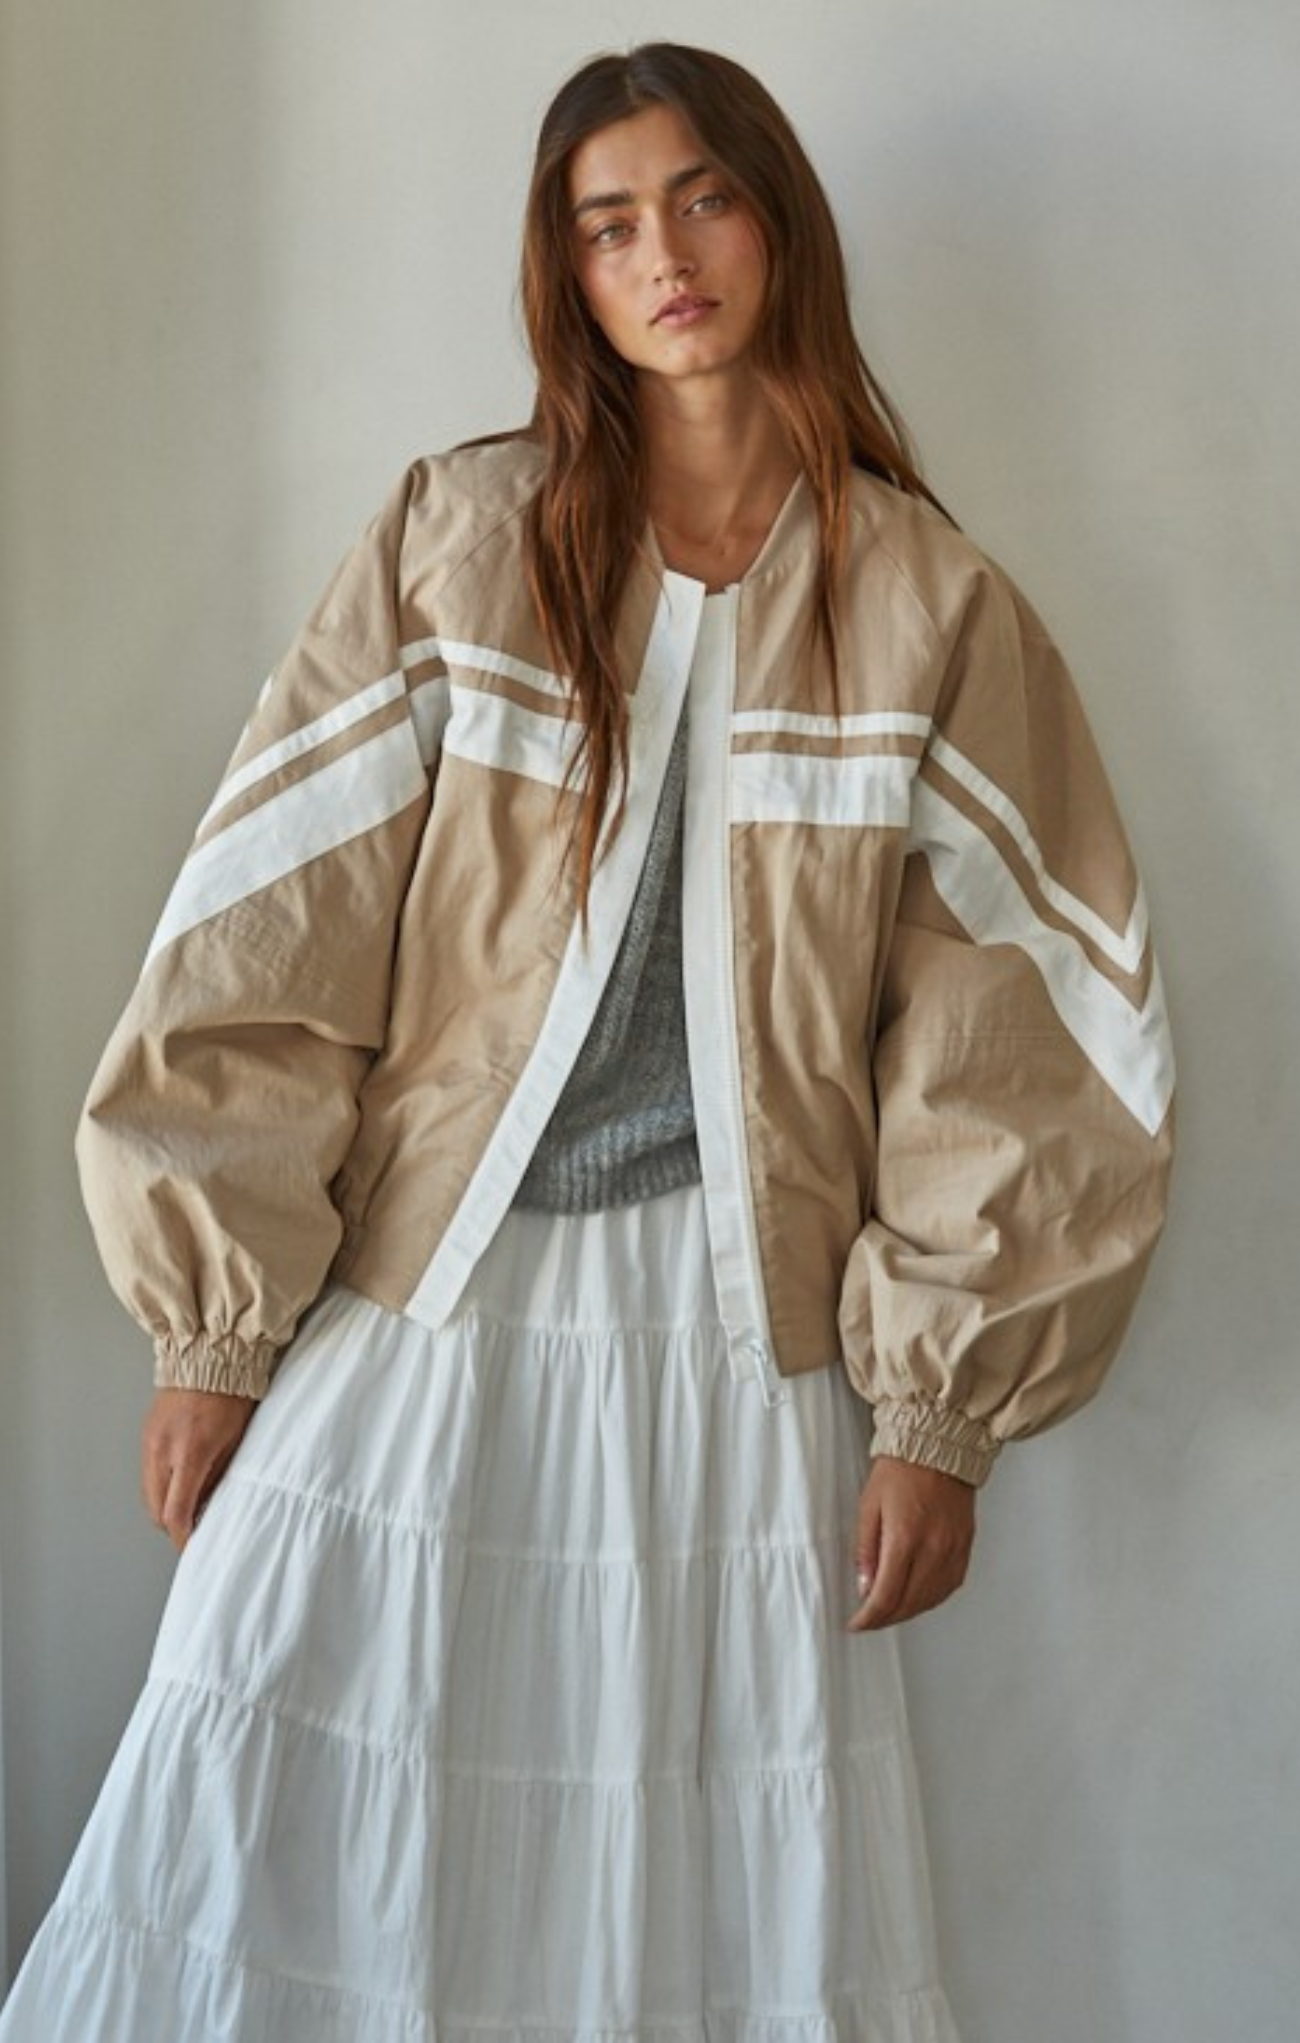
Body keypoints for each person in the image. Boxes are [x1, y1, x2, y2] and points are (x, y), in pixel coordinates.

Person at [0, 40, 1175, 2042]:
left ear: (774, 220)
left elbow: (1013, 1039)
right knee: (270, 1775)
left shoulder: (928, 603)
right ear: (570, 273)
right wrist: (212, 1327)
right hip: (426, 1302)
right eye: (606, 221)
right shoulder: (460, 539)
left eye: (700, 197)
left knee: (686, 1858)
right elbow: (270, 927)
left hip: (733, 1336)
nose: (663, 252)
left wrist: (936, 1413)